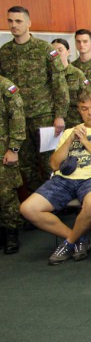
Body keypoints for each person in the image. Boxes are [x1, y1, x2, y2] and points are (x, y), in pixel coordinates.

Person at [20, 89, 91, 265]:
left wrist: (85, 142)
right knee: (28, 208)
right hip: (64, 179)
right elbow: (54, 164)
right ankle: (77, 239)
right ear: (79, 110)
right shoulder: (69, 132)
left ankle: (68, 244)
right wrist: (69, 140)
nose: (89, 112)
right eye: (84, 108)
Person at [0, 6, 69, 192]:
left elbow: (59, 83)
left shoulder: (45, 49)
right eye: (10, 21)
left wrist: (60, 115)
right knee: (26, 167)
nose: (14, 25)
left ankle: (57, 205)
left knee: (50, 163)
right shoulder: (4, 52)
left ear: (28, 23)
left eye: (18, 21)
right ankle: (36, 205)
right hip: (17, 121)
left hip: (44, 116)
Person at [0, 74, 25, 254]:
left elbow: (17, 117)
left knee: (6, 193)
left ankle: (11, 233)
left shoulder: (6, 87)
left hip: (4, 150)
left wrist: (14, 148)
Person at [51, 38, 89, 128]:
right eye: (53, 51)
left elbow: (86, 98)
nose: (57, 53)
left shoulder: (77, 74)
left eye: (60, 50)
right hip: (52, 123)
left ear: (68, 52)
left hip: (74, 123)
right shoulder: (48, 74)